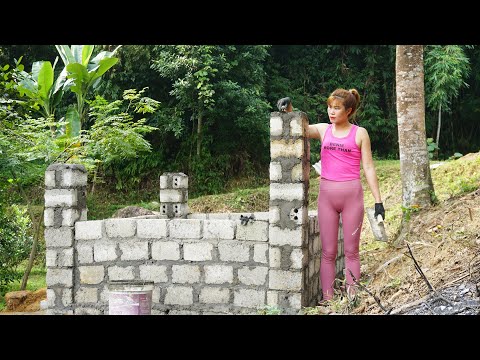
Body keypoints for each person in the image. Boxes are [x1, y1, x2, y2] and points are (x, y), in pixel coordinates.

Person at [277, 90, 384, 301]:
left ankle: (352, 299)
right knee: (328, 253)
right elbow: (302, 127)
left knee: (352, 252)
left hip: (352, 196)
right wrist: (288, 109)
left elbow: (369, 168)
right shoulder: (324, 130)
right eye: (330, 107)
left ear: (349, 110)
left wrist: (378, 201)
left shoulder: (360, 133)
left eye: (337, 108)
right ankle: (328, 301)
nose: (331, 112)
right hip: (327, 196)